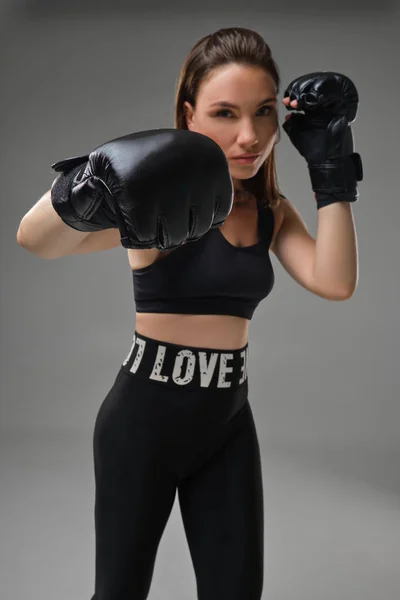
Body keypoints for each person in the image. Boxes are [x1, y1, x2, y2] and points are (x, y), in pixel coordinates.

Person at [16, 27, 361, 600]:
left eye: (264, 113)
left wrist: (333, 175)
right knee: (120, 593)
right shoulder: (159, 199)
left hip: (227, 424)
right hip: (140, 426)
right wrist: (90, 179)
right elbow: (34, 240)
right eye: (225, 113)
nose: (249, 136)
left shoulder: (270, 208)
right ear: (189, 115)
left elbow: (336, 281)